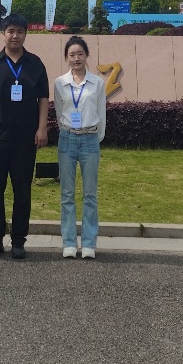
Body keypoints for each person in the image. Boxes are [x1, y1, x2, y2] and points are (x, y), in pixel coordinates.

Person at [0, 13, 50, 259]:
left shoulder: (35, 64)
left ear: (26, 34)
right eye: (10, 31)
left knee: (22, 191)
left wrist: (42, 128)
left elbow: (43, 98)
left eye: (20, 31)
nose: (15, 35)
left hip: (25, 139)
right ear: (3, 34)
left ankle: (19, 240)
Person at [53, 35, 106, 259]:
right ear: (67, 57)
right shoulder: (60, 83)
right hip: (67, 139)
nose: (76, 58)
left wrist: (96, 137)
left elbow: (101, 112)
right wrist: (68, 131)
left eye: (80, 54)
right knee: (67, 193)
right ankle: (69, 243)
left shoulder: (98, 83)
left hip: (90, 139)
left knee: (90, 194)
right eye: (72, 55)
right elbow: (59, 112)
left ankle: (88, 243)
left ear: (87, 55)